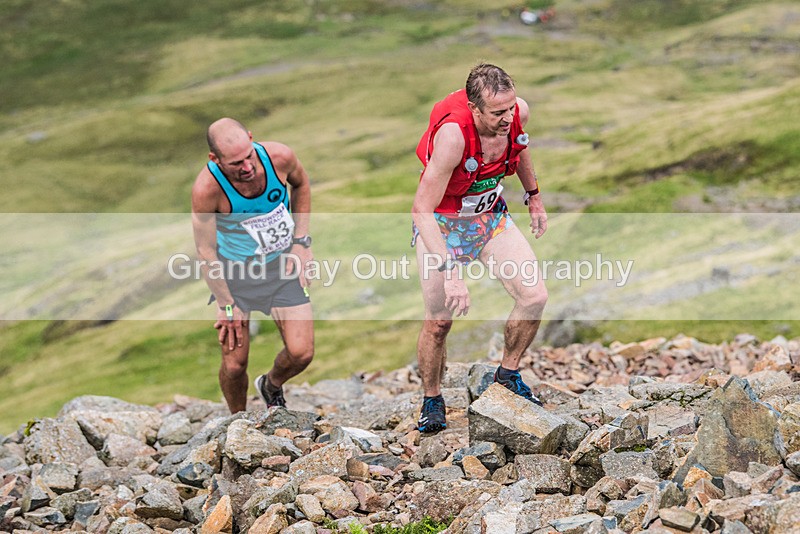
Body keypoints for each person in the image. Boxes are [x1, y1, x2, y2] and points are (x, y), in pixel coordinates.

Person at [411, 63, 549, 432]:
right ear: (475, 109)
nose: (507, 118)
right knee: (439, 321)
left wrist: (534, 195)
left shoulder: (516, 114)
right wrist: (450, 272)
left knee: (534, 296)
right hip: (442, 225)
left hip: (490, 218)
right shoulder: (454, 138)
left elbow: (520, 147)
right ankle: (432, 399)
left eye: (509, 109)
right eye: (497, 113)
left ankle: (507, 374)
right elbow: (421, 210)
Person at [191, 117, 314, 413]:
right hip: (236, 276)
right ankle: (239, 422)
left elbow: (302, 185)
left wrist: (300, 242)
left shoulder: (279, 157)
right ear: (214, 159)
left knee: (301, 353)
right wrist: (227, 304)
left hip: (281, 267)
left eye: (249, 156)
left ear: (251, 137)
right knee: (234, 366)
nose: (247, 167)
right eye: (235, 163)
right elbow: (206, 251)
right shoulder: (207, 189)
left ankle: (270, 385)